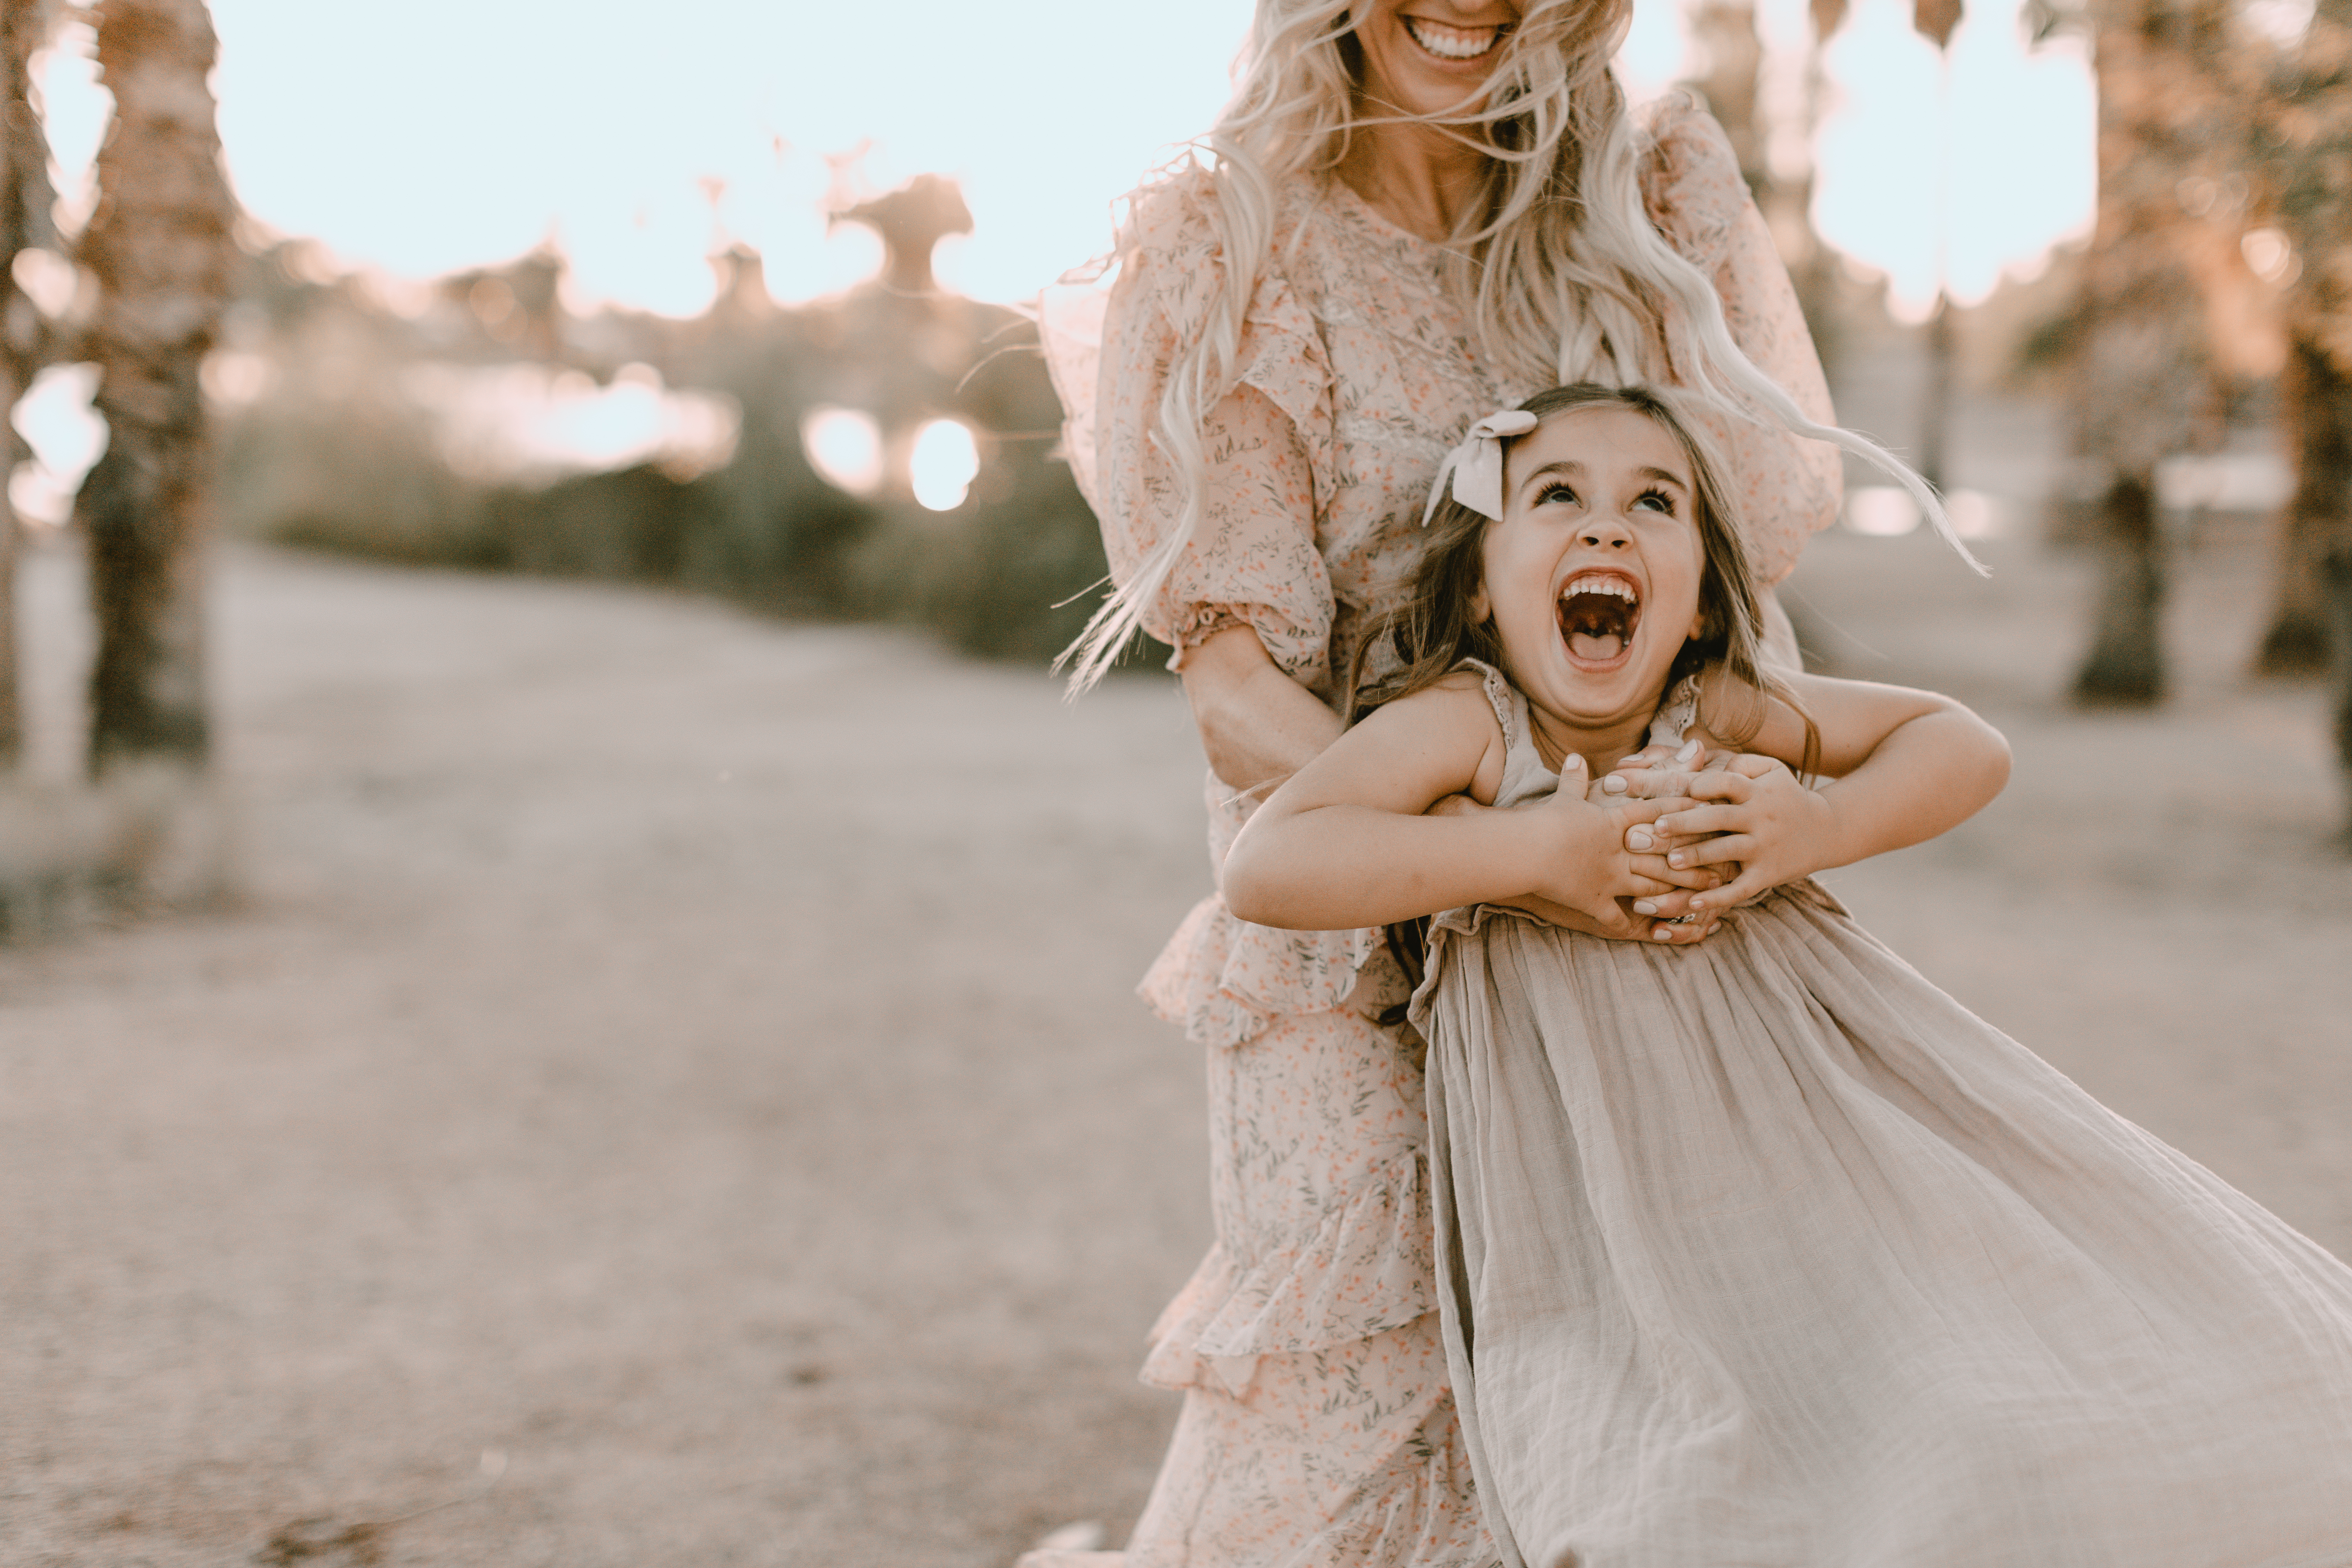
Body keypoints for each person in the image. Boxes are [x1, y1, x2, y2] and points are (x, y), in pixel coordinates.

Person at [1031, 1, 1952, 1563]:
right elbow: (1237, 689)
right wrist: (1510, 852)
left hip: (1642, 921)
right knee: (1356, 1378)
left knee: (1647, 1372)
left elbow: (1727, 589)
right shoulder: (1231, 242)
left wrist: (1682, 834)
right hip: (1351, 912)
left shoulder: (1648, 206)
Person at [1219, 384, 2352, 1568]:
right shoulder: (1475, 726)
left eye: (1653, 503)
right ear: (1478, 588)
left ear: (1703, 601)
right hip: (1605, 1162)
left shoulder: (1714, 710)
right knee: (1670, 1459)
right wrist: (1535, 847)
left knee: (1946, 1381)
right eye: (1557, 496)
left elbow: (1965, 743)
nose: (1606, 530)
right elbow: (1274, 864)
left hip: (1818, 1113)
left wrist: (1818, 825)